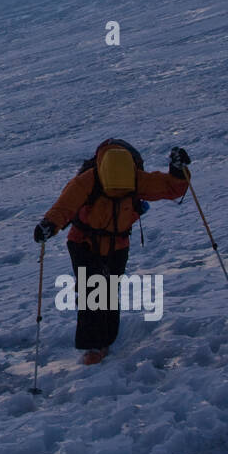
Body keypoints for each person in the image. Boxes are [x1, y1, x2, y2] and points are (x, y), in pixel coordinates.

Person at [33, 140, 191, 365]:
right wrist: (49, 224)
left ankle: (104, 341)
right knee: (93, 291)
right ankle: (93, 347)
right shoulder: (89, 180)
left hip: (117, 243)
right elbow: (65, 206)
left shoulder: (134, 178)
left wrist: (178, 170)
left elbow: (172, 187)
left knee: (108, 291)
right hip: (84, 242)